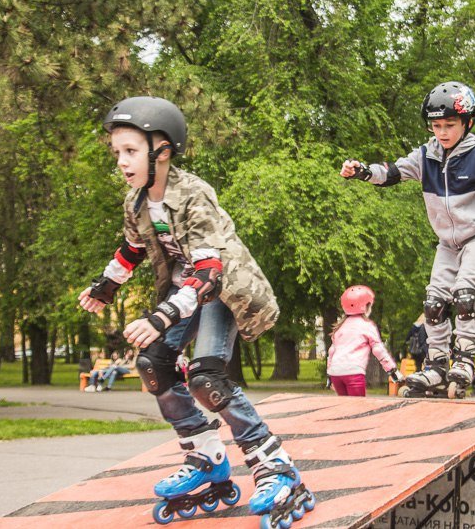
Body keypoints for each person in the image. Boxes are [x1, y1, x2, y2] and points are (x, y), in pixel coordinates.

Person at [78, 96, 312, 522]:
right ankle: (206, 456)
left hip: (223, 290)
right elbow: (133, 248)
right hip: (183, 292)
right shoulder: (135, 202)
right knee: (152, 363)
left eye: (130, 151)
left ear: (162, 150)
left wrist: (160, 316)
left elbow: (207, 273)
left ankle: (273, 464)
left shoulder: (194, 195)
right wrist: (107, 285)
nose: (121, 162)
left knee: (206, 375)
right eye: (117, 153)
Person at [340, 81, 475, 397]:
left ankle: (466, 359)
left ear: (467, 123)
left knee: (463, 294)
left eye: (449, 125)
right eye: (436, 126)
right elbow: (391, 173)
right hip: (448, 243)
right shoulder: (425, 156)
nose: (442, 132)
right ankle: (437, 364)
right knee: (433, 303)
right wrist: (363, 171)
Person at [326, 285, 404, 396]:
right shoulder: (367, 326)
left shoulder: (340, 327)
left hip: (335, 373)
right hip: (353, 373)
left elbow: (332, 352)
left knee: (344, 408)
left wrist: (329, 376)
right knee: (358, 408)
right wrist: (393, 372)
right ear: (366, 307)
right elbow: (378, 350)